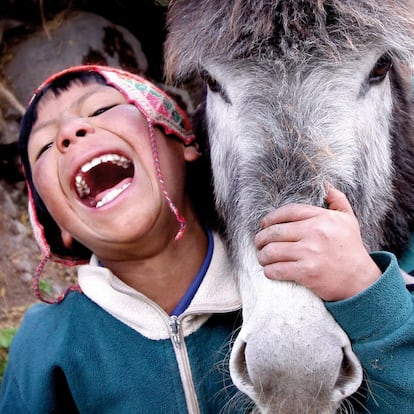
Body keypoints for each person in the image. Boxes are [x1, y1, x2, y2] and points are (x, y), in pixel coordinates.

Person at [0, 64, 413, 413]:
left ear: (185, 143)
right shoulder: (44, 347)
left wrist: (368, 294)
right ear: (59, 230)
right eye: (43, 148)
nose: (70, 132)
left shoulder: (337, 282)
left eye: (102, 109)